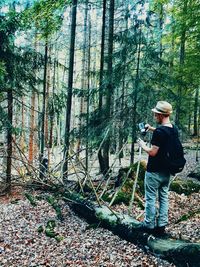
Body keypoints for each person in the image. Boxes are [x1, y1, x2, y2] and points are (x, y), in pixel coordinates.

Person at [137, 101, 174, 237]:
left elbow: (152, 152)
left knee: (151, 198)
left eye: (155, 114)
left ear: (160, 115)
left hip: (154, 172)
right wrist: (151, 128)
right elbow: (162, 133)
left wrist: (142, 145)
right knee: (164, 197)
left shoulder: (159, 133)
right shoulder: (172, 129)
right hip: (167, 172)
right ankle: (161, 226)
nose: (154, 116)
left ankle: (149, 225)